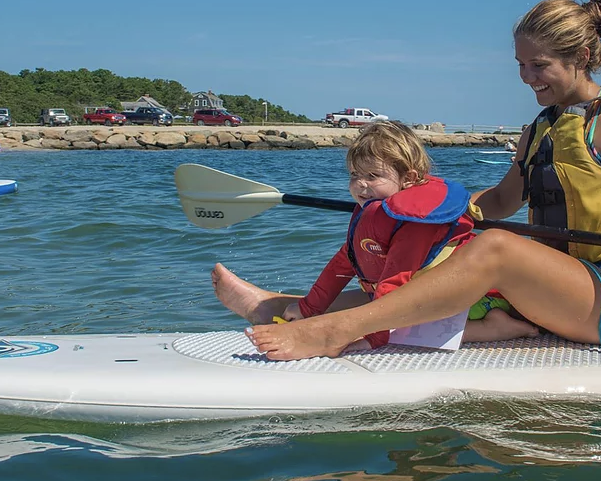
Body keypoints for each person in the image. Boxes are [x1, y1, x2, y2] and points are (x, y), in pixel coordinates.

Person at [247, 0, 601, 360]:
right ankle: (292, 309)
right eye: (520, 64)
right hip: (550, 293)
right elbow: (503, 201)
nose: (526, 78)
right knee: (432, 257)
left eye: (538, 65)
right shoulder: (541, 128)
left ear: (579, 57)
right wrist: (425, 213)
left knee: (493, 250)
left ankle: (331, 333)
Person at [212, 120, 539, 349]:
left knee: (406, 322)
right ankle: (277, 307)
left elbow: (396, 282)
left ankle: (495, 328)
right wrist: (310, 307)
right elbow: (344, 263)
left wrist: (372, 336)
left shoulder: (415, 223)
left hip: (476, 302)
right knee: (381, 306)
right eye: (355, 175)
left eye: (373, 176)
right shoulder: (376, 213)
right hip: (434, 297)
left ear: (409, 179)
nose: (361, 185)